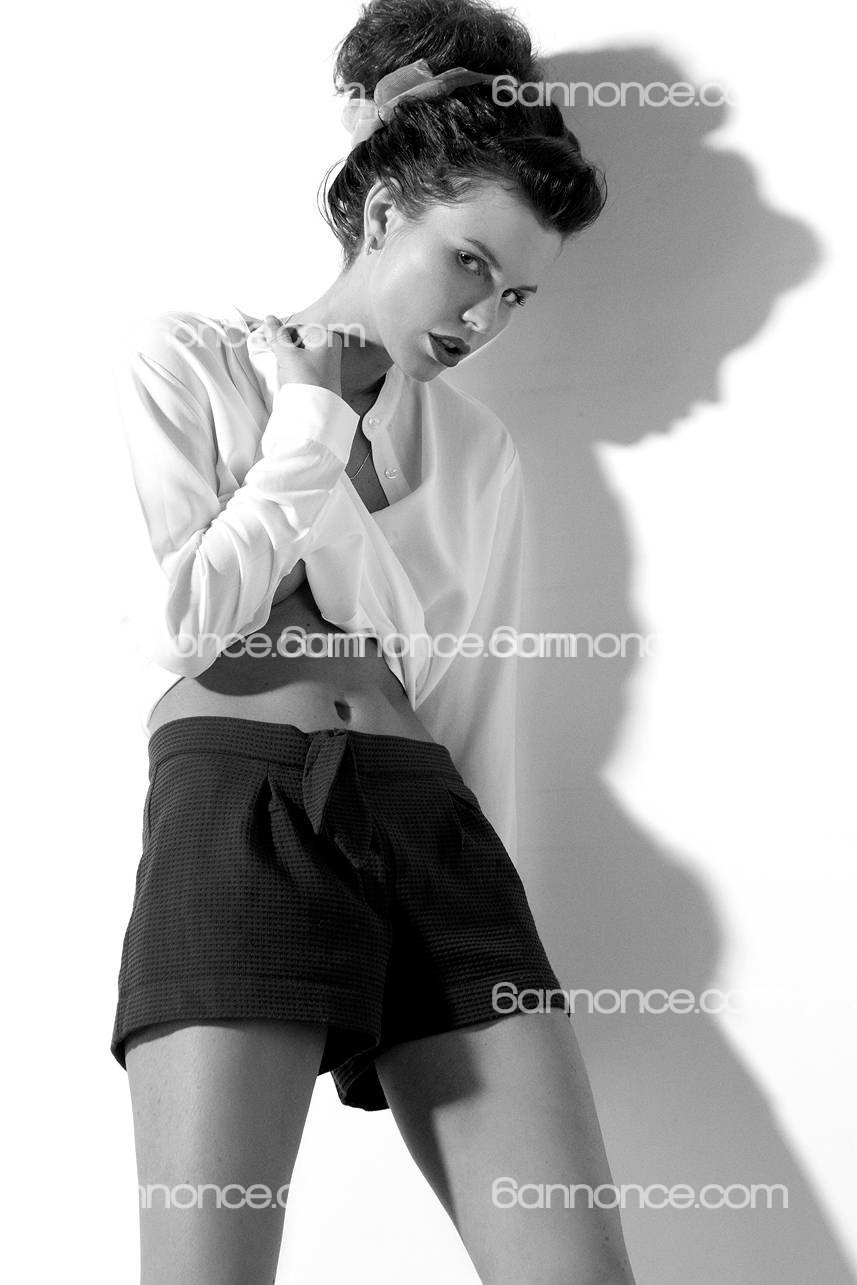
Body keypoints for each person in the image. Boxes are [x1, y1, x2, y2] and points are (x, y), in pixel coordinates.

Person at [109, 0, 638, 1281]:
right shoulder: (196, 361)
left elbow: (473, 702)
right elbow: (183, 623)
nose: (484, 318)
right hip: (244, 808)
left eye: (515, 295)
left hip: (432, 832)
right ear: (384, 205)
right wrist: (306, 427)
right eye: (469, 264)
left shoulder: (476, 450)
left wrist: (488, 897)